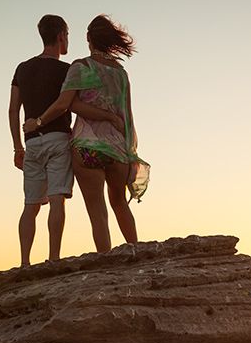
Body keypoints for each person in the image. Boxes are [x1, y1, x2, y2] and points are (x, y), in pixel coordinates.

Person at [23, 15, 149, 253]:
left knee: (97, 211)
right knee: (120, 203)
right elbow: (127, 114)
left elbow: (65, 104)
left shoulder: (82, 67)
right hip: (118, 149)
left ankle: (106, 263)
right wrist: (130, 150)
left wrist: (37, 122)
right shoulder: (121, 73)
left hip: (87, 147)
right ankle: (137, 252)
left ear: (89, 39)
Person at [9, 14, 120, 266]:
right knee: (57, 199)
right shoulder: (66, 70)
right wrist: (108, 116)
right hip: (58, 138)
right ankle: (53, 259)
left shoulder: (22, 68)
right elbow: (70, 104)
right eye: (67, 35)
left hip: (31, 142)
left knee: (30, 204)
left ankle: (25, 262)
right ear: (61, 36)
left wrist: (17, 145)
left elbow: (13, 110)